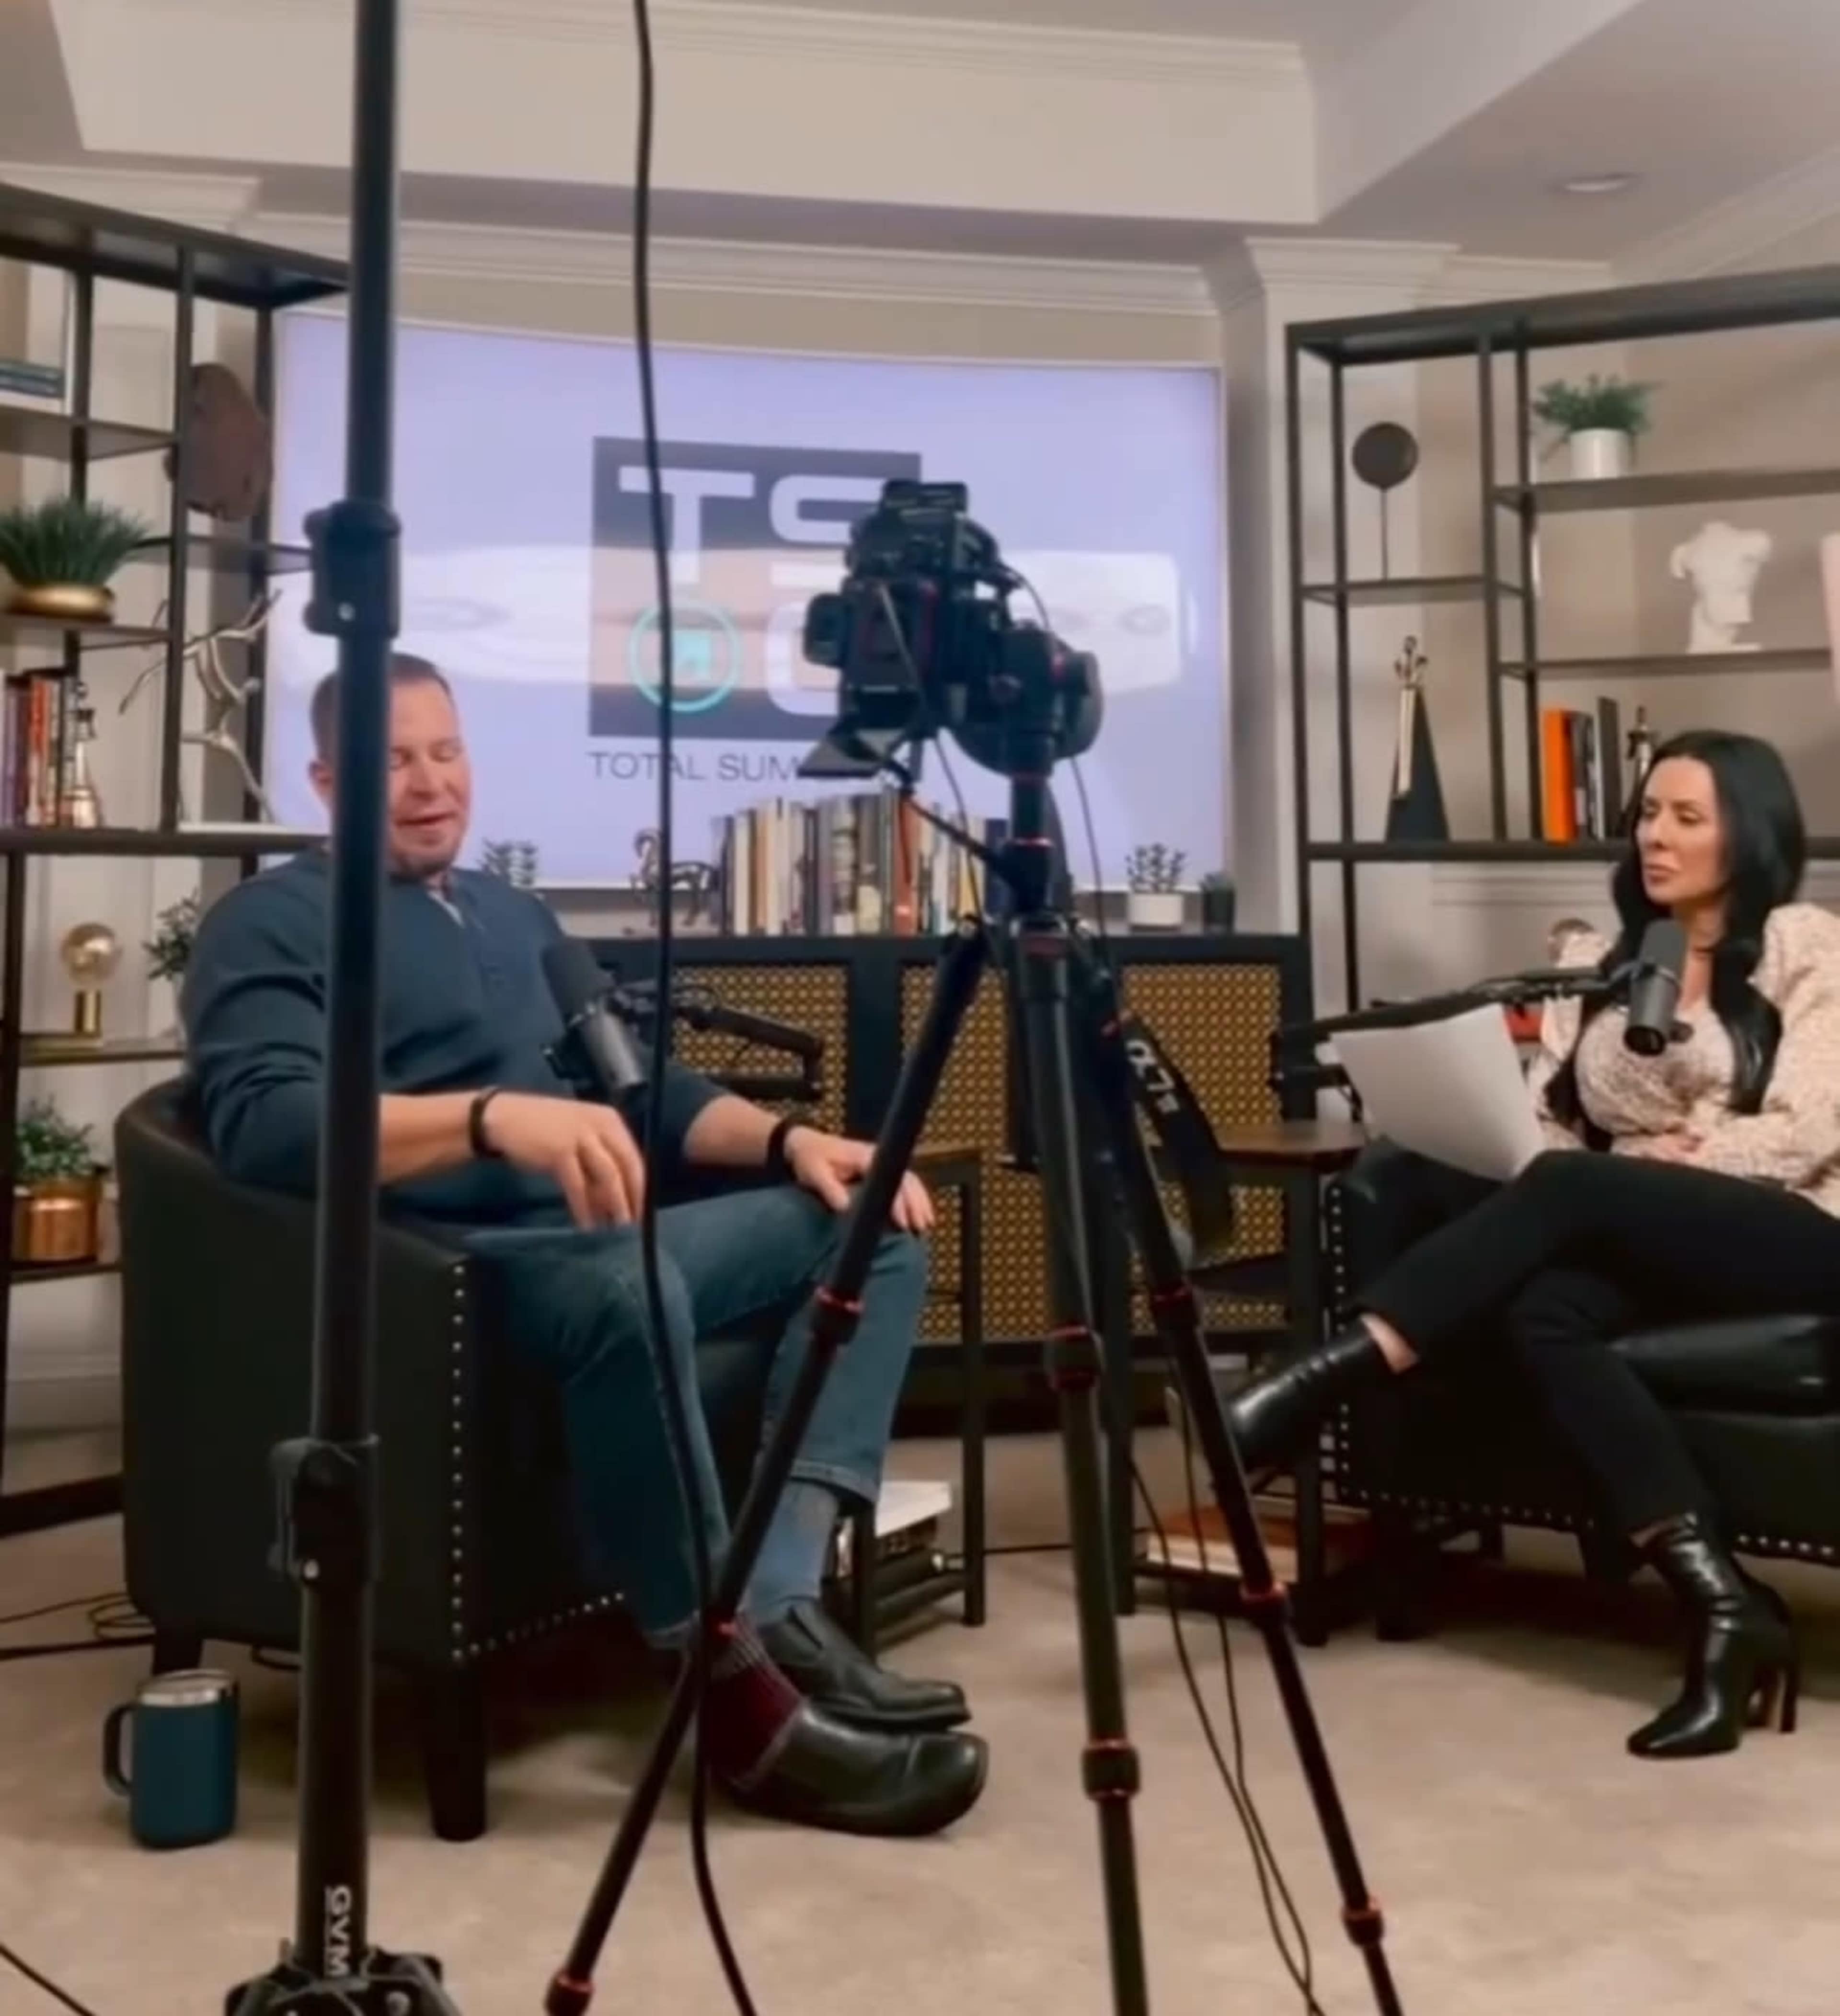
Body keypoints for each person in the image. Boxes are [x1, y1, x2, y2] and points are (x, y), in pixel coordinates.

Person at [182, 652, 988, 1837]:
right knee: (636, 1280)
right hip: (447, 1269)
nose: (427, 782)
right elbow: (265, 1122)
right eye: (390, 760)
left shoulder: (513, 911)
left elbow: (638, 1092)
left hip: (595, 1241)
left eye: (444, 752)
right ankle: (734, 1702)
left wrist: (790, 1144)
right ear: (325, 781)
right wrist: (490, 1118)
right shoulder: (270, 922)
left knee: (875, 1225)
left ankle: (779, 1601)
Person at [1223, 729, 1840, 1759]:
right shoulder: (1599, 962)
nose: (1656, 835)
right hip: (1638, 1218)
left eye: (1688, 817)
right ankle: (1724, 1604)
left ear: (1753, 830)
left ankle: (1326, 1370)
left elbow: (1810, 1125)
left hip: (1798, 1223)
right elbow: (1556, 1134)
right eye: (1649, 813)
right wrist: (1522, 1145)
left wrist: (1673, 1162)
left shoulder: (1806, 943)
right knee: (1540, 1305)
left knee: (1573, 1193)